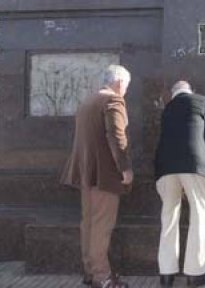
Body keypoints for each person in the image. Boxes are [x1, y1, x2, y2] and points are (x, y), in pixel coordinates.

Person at [60, 65, 133, 288]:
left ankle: (90, 271)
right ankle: (103, 277)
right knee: (102, 226)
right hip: (105, 175)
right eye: (126, 86)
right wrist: (125, 168)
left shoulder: (88, 101)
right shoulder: (113, 100)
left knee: (89, 224)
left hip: (86, 173)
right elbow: (117, 136)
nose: (126, 91)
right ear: (119, 83)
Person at [155, 81, 205, 287]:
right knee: (200, 215)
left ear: (173, 93)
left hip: (165, 168)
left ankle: (166, 274)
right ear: (191, 91)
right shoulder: (202, 102)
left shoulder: (167, 109)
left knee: (169, 217)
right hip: (194, 166)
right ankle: (195, 274)